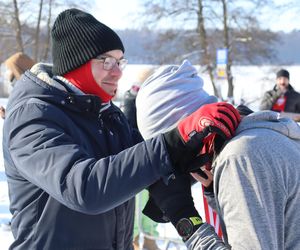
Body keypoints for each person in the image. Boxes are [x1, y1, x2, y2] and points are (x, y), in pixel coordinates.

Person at [3, 9, 240, 250]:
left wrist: (194, 156)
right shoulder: (33, 116)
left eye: (119, 61)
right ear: (76, 63)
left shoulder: (107, 114)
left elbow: (153, 170)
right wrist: (175, 140)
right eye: (106, 61)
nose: (117, 72)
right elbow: (84, 188)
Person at [136, 61, 300, 249]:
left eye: (174, 150)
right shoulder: (261, 136)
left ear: (192, 131)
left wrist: (187, 222)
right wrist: (216, 192)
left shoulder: (240, 157)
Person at [122, 68, 161, 250]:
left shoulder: (135, 99)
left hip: (144, 159)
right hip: (138, 160)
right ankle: (140, 239)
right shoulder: (133, 101)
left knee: (146, 205)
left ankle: (147, 238)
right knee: (140, 206)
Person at [0, 52, 35, 119]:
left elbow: (25, 117)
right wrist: (6, 114)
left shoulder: (27, 92)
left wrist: (8, 115)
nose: (7, 72)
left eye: (9, 68)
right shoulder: (20, 90)